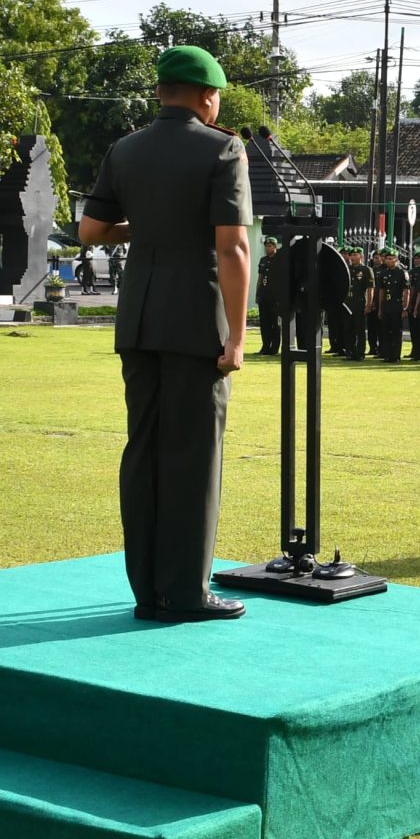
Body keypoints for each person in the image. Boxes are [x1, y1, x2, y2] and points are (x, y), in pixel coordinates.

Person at [77, 44, 254, 622]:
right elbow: (232, 246)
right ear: (208, 95)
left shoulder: (125, 149)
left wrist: (148, 223)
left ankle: (148, 592)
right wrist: (237, 335)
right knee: (195, 456)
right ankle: (187, 593)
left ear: (160, 92)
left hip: (139, 322)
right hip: (195, 321)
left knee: (145, 453)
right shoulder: (223, 147)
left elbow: (91, 231)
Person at [256, 237, 285, 355]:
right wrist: (257, 294)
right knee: (264, 322)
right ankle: (265, 346)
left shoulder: (280, 259)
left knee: (275, 323)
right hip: (264, 295)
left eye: (270, 246)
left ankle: (274, 348)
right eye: (266, 246)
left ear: (275, 246)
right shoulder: (263, 260)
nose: (267, 248)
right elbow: (260, 278)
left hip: (275, 297)